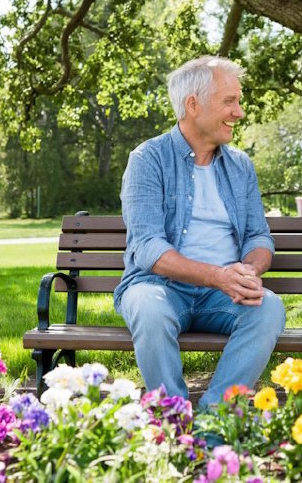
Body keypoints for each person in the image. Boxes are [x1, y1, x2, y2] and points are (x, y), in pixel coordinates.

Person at [115, 55, 286, 406]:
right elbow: (147, 247)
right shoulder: (148, 159)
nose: (239, 112)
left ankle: (214, 419)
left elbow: (258, 236)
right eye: (229, 101)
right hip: (158, 287)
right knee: (148, 309)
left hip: (222, 296)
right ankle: (172, 420)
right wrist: (217, 276)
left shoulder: (240, 166)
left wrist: (247, 272)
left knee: (268, 308)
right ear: (193, 105)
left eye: (238, 101)